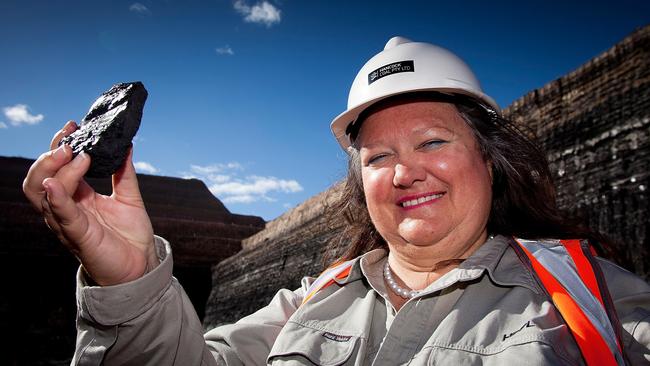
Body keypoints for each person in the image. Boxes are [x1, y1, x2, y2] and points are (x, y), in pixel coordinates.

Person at [23, 36, 649, 365]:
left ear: (489, 158)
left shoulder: (597, 301)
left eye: (432, 141)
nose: (405, 172)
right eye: (377, 157)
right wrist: (130, 280)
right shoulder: (306, 305)